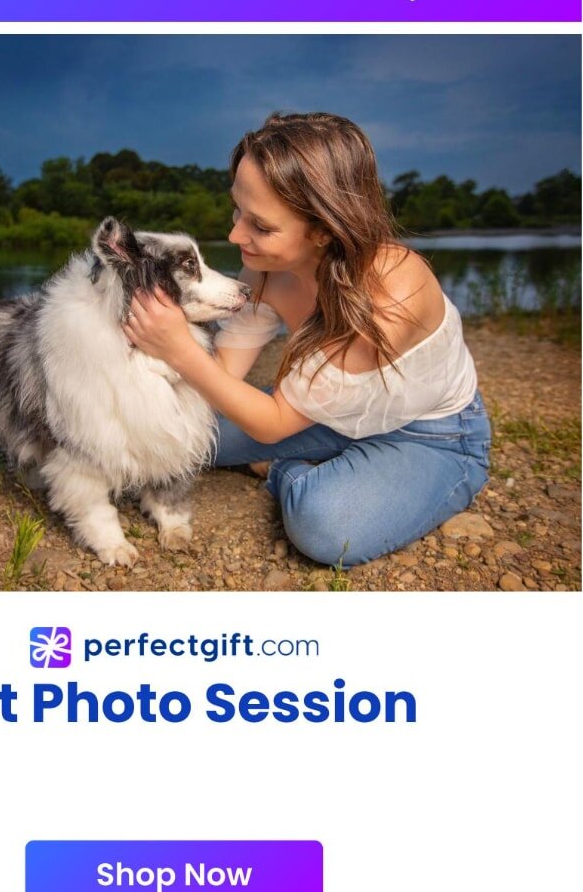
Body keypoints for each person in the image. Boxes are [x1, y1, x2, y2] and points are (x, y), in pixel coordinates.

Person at [122, 112, 491, 567]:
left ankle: (287, 473)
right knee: (171, 431)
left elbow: (272, 423)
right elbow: (221, 379)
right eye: (237, 210)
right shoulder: (265, 270)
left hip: (425, 434)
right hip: (323, 416)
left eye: (260, 225)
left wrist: (178, 348)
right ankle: (324, 460)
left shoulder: (394, 292)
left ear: (324, 228)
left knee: (325, 526)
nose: (235, 234)